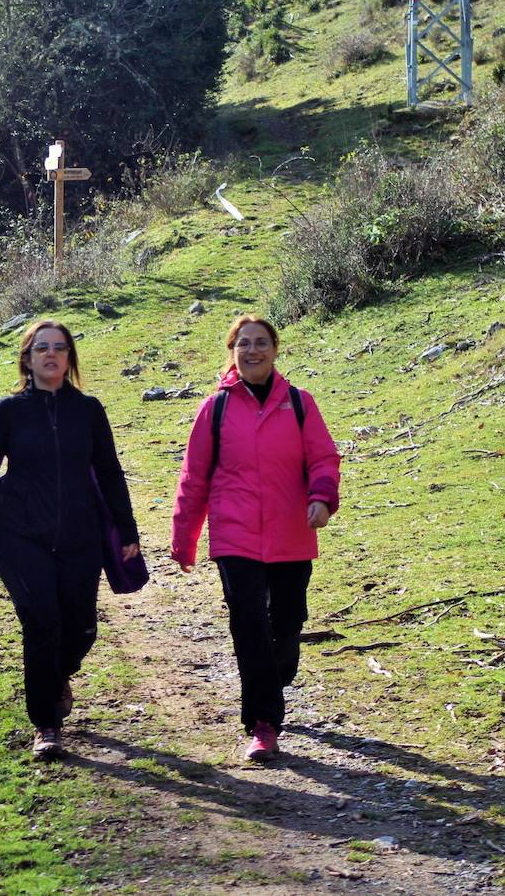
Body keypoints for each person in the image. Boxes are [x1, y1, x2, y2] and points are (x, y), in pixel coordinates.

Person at [0, 319, 141, 760]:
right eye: (42, 348)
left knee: (80, 629)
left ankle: (55, 678)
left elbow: (110, 472)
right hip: (19, 535)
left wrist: (128, 531)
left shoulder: (89, 410)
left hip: (80, 536)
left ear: (70, 358)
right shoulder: (8, 411)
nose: (51, 355)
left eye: (59, 348)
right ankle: (46, 725)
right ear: (28, 357)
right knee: (41, 623)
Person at [170, 314, 341, 761]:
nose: (252, 350)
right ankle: (263, 724)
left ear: (275, 349)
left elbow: (323, 458)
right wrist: (184, 537)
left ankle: (277, 673)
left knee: (286, 623)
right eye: (243, 343)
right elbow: (194, 477)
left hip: (291, 532)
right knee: (248, 625)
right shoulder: (216, 408)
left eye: (260, 342)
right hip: (235, 536)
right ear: (232, 351)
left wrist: (322, 497)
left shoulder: (300, 403)